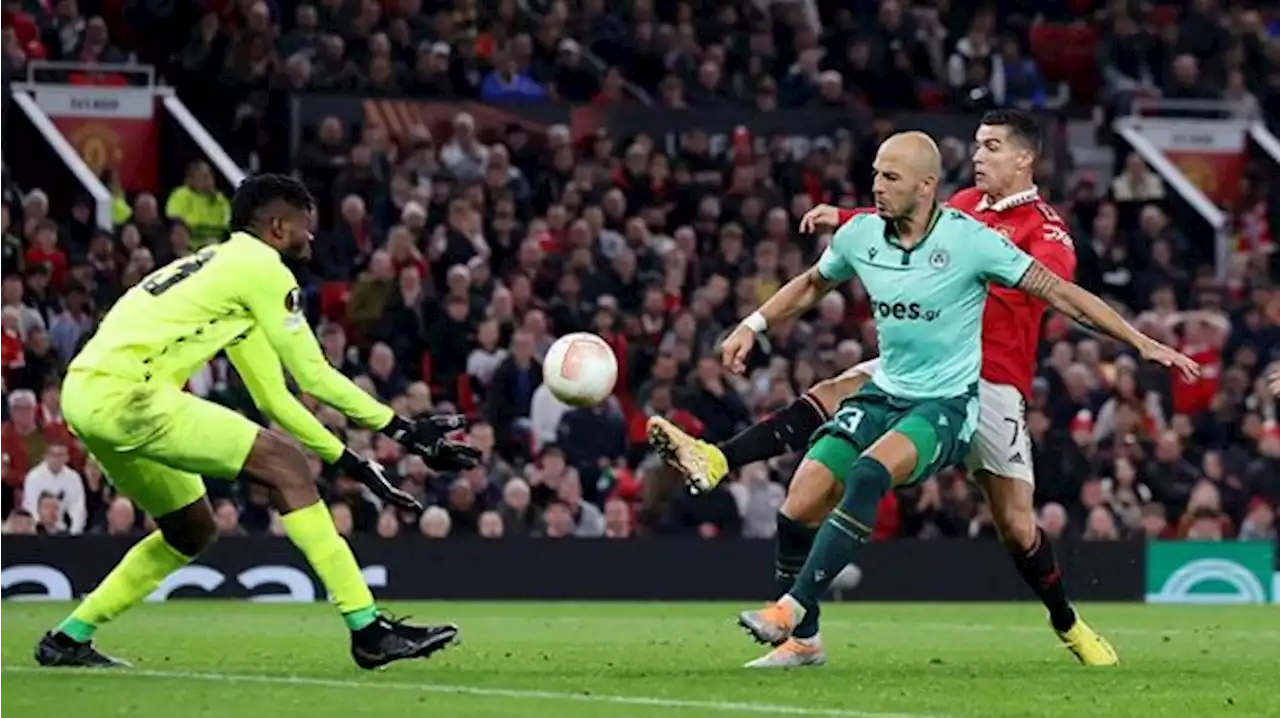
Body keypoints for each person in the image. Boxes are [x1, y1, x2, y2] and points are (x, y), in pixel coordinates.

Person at [651, 129, 1198, 668]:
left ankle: (1067, 623)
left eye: (992, 147)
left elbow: (1053, 289)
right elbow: (900, 220)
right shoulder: (956, 208)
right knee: (826, 413)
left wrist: (1139, 341)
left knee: (1017, 527)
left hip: (989, 379)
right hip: (911, 369)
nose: (978, 156)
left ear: (1025, 158)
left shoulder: (1041, 229)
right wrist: (844, 223)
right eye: (977, 144)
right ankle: (723, 465)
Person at [36, 174, 480, 670]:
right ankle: (368, 628)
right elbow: (313, 374)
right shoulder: (263, 268)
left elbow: (276, 397)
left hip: (86, 395)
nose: (309, 237)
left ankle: (69, 637)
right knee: (285, 463)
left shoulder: (227, 273)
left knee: (191, 531)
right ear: (275, 226)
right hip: (128, 395)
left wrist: (351, 461)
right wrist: (403, 429)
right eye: (302, 227)